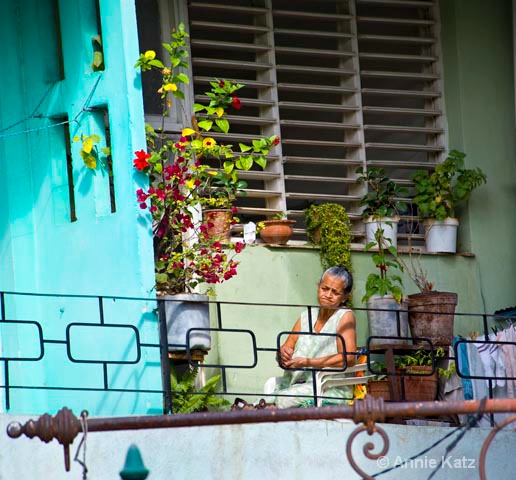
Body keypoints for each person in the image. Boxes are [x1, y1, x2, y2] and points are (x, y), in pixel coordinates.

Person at [273, 265, 357, 408]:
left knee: (281, 401)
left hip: (328, 388)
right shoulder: (306, 316)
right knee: (261, 402)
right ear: (318, 286)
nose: (328, 295)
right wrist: (282, 354)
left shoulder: (345, 316)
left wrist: (308, 362)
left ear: (345, 297)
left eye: (335, 292)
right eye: (325, 288)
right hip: (296, 385)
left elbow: (349, 357)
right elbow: (286, 348)